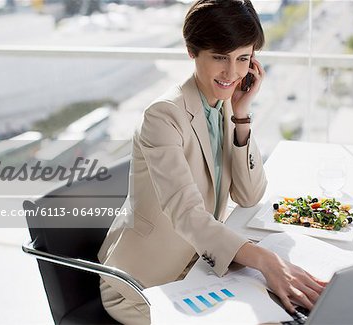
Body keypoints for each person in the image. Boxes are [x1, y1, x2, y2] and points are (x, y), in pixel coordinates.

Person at [98, 1, 327, 324]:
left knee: (286, 311)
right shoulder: (163, 116)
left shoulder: (223, 107)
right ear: (193, 51)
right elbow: (187, 213)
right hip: (144, 286)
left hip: (200, 268)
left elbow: (249, 195)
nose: (232, 73)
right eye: (220, 57)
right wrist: (265, 260)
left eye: (243, 59)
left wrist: (241, 114)